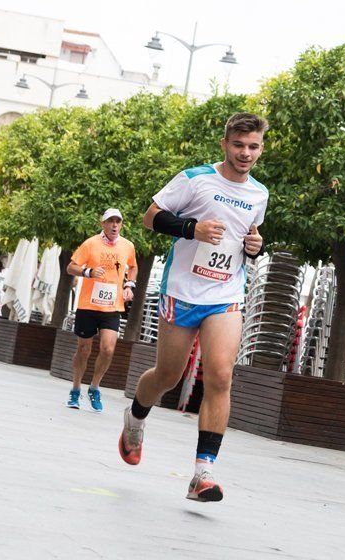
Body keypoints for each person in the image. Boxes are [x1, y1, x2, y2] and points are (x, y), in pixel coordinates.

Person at [118, 113, 269, 502]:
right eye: (238, 145)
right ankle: (135, 419)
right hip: (182, 291)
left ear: (261, 149)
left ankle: (203, 474)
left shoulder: (259, 194)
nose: (245, 153)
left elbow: (247, 239)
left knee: (220, 375)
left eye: (253, 146)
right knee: (168, 375)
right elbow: (150, 218)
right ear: (224, 144)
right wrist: (191, 228)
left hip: (226, 295)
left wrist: (256, 247)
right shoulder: (195, 178)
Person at [65, 208, 137, 412]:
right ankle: (76, 389)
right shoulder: (90, 244)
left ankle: (95, 387)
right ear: (103, 223)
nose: (114, 225)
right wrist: (87, 272)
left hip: (112, 307)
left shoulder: (127, 246)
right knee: (84, 350)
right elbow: (71, 267)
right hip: (88, 305)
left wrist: (129, 285)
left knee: (108, 349)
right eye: (110, 221)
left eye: (118, 221)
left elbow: (133, 267)